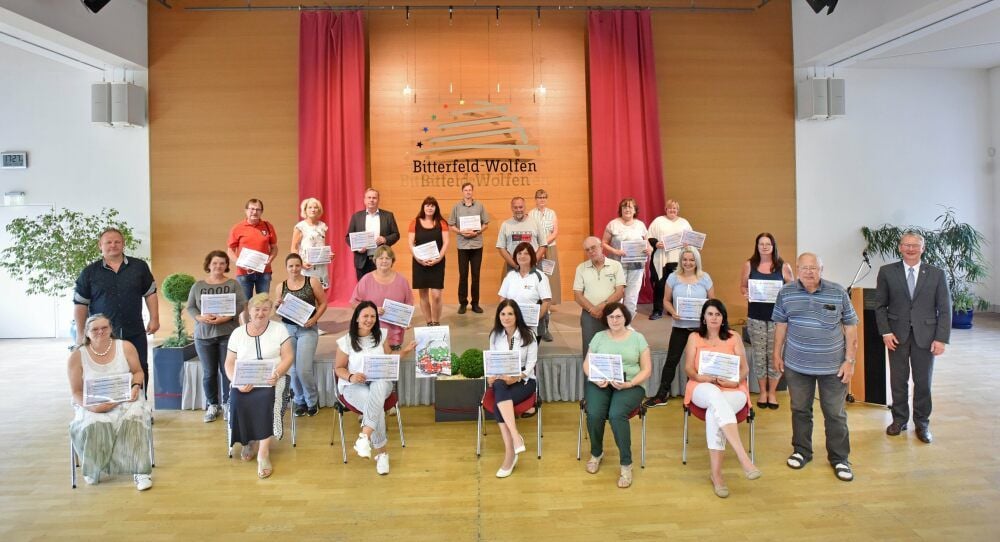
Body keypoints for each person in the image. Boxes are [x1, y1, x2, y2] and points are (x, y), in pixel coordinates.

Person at [773, 253, 858, 482]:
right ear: (797, 269)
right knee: (800, 410)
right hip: (797, 365)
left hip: (833, 368)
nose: (809, 272)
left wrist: (850, 361)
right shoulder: (786, 292)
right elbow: (781, 325)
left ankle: (840, 459)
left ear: (822, 269)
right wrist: (776, 353)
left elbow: (851, 328)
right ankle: (802, 451)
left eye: (814, 268)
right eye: (804, 268)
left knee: (835, 414)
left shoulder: (837, 292)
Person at [874, 232, 951, 444]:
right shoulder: (887, 272)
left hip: (926, 337)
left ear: (922, 248)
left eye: (915, 246)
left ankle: (922, 423)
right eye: (906, 245)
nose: (910, 249)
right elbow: (880, 306)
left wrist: (941, 338)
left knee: (923, 382)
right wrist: (886, 332)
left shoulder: (936, 274)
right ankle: (899, 420)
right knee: (898, 381)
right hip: (896, 336)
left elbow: (945, 309)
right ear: (900, 247)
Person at [683, 299, 761, 498]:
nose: (714, 318)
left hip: (733, 388)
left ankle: (716, 476)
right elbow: (689, 368)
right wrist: (701, 377)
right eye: (710, 314)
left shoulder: (733, 337)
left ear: (723, 318)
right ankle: (743, 458)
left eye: (718, 314)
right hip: (702, 386)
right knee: (714, 395)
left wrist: (734, 382)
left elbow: (745, 369)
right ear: (704, 317)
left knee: (713, 413)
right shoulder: (694, 337)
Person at [68, 314, 153, 490]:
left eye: (104, 328)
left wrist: (136, 386)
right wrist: (93, 407)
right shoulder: (77, 356)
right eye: (95, 329)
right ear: (87, 332)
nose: (100, 332)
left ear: (111, 329)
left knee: (135, 419)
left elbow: (138, 372)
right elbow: (76, 391)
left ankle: (140, 471)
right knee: (92, 422)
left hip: (126, 397)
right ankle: (93, 467)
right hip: (92, 402)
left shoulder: (125, 347)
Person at [334, 301, 416, 475]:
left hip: (380, 382)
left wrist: (406, 350)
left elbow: (389, 358)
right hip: (354, 385)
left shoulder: (381, 336)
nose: (369, 319)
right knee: (375, 405)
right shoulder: (346, 341)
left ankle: (365, 436)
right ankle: (382, 453)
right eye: (365, 316)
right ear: (357, 318)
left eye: (372, 316)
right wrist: (351, 376)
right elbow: (339, 368)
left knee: (378, 388)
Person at [74, 228, 159, 391]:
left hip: (134, 329)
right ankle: (111, 409)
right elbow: (80, 304)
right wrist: (80, 333)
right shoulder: (89, 272)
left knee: (140, 366)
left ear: (123, 244)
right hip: (101, 333)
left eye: (117, 241)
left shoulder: (139, 267)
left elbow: (150, 294)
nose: (113, 245)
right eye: (108, 242)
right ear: (100, 245)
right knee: (106, 369)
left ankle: (140, 408)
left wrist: (154, 318)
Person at [224, 293, 295, 479]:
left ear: (271, 311)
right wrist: (236, 381)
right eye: (257, 309)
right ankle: (248, 440)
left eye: (265, 309)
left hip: (274, 376)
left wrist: (277, 373)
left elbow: (288, 356)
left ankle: (263, 452)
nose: (261, 313)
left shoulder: (279, 329)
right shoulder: (237, 333)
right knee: (238, 399)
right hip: (245, 379)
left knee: (266, 399)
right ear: (249, 310)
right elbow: (229, 363)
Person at [582, 303, 652, 489]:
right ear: (606, 319)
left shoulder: (638, 338)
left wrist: (630, 383)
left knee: (616, 415)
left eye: (618, 316)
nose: (614, 320)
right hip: (601, 383)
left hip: (630, 385)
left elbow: (647, 370)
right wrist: (595, 379)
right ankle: (596, 454)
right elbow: (587, 365)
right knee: (595, 412)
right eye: (611, 317)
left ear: (625, 318)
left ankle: (626, 464)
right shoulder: (598, 337)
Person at [645, 246, 715, 407]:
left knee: (702, 362)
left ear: (696, 261)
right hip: (680, 326)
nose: (688, 263)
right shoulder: (673, 277)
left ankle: (702, 395)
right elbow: (666, 301)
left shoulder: (705, 278)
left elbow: (712, 303)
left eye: (691, 260)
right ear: (680, 261)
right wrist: (672, 312)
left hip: (700, 329)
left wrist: (706, 315)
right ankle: (661, 395)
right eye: (685, 259)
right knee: (672, 360)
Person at [187, 250, 247, 422]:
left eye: (222, 263)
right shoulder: (198, 286)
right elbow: (191, 307)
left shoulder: (233, 284)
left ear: (227, 265)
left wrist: (227, 317)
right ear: (209, 265)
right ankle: (213, 405)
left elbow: (242, 303)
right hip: (203, 336)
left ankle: (229, 404)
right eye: (215, 263)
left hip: (227, 334)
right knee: (209, 372)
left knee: (227, 371)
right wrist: (200, 317)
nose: (218, 266)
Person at [738, 233, 794, 409]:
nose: (764, 247)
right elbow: (742, 286)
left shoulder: (783, 266)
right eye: (761, 244)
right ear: (757, 246)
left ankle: (772, 393)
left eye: (767, 244)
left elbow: (792, 289)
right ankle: (763, 392)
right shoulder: (749, 264)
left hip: (778, 319)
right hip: (756, 316)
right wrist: (745, 292)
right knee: (760, 356)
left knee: (775, 354)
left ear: (773, 246)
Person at [486, 300, 539, 478]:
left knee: (498, 406)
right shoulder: (495, 335)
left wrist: (516, 378)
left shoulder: (529, 335)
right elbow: (492, 362)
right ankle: (515, 439)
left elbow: (531, 365)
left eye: (510, 314)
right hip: (502, 381)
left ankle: (510, 454)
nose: (506, 318)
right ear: (498, 316)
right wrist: (490, 376)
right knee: (499, 386)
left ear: (517, 316)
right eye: (503, 314)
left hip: (524, 382)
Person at [272, 253, 328, 418]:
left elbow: (324, 303)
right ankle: (299, 401)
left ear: (301, 266)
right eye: (291, 266)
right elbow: (278, 312)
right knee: (293, 370)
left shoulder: (312, 281)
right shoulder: (280, 286)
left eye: (297, 265)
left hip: (307, 330)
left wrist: (314, 319)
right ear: (286, 268)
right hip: (288, 330)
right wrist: (276, 305)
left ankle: (312, 400)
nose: (294, 269)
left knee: (304, 369)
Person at [350, 245, 414, 350]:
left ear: (392, 261)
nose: (384, 261)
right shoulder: (366, 279)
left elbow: (409, 303)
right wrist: (372, 311)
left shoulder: (402, 281)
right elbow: (354, 303)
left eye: (387, 258)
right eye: (381, 258)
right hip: (370, 337)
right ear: (375, 260)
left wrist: (406, 320)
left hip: (394, 338)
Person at [573, 237, 625, 357]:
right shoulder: (581, 268)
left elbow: (619, 292)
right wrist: (592, 309)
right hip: (589, 315)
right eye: (587, 250)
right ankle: (590, 377)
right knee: (590, 351)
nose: (591, 251)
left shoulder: (616, 265)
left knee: (613, 350)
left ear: (601, 247)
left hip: (613, 314)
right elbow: (577, 295)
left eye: (593, 248)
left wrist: (601, 307)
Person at [602, 197, 651, 316]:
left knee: (632, 296)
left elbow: (648, 243)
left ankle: (627, 324)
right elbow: (603, 243)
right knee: (616, 296)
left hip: (637, 266)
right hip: (617, 265)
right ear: (621, 209)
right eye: (624, 207)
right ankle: (614, 321)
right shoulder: (613, 224)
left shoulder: (640, 225)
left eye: (630, 207)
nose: (627, 209)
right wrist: (615, 251)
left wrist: (650, 249)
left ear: (635, 210)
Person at [227, 198, 279, 307]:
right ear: (246, 211)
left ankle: (261, 324)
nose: (254, 212)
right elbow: (230, 250)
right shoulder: (237, 228)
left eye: (258, 209)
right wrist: (239, 262)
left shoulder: (268, 226)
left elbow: (274, 247)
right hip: (243, 273)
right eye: (252, 209)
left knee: (263, 303)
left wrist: (270, 259)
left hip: (264, 272)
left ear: (261, 212)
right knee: (244, 304)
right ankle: (246, 324)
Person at [448, 182, 490, 315]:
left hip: (477, 244)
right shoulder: (456, 207)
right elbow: (451, 225)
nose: (468, 192)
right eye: (465, 190)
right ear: (462, 192)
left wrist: (476, 232)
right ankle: (463, 303)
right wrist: (461, 232)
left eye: (470, 190)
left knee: (476, 276)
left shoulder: (480, 206)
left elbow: (486, 224)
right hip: (462, 245)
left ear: (473, 192)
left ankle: (475, 303)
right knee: (463, 275)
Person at [646, 199, 692, 320]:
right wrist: (656, 244)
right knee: (660, 285)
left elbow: (690, 238)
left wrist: (687, 244)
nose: (672, 210)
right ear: (666, 209)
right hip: (662, 258)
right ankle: (657, 310)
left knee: (677, 285)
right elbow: (649, 236)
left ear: (678, 210)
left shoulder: (684, 223)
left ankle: (673, 310)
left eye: (675, 208)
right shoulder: (658, 221)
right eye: (670, 208)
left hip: (678, 258)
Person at [408, 196, 449, 326]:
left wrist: (439, 258)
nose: (429, 208)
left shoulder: (442, 222)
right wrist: (418, 259)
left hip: (437, 262)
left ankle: (436, 322)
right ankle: (429, 322)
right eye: (427, 205)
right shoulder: (415, 222)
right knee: (424, 295)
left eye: (432, 205)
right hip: (420, 263)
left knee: (436, 295)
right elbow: (410, 243)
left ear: (436, 208)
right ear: (423, 207)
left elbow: (446, 242)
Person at [498, 242, 552, 339]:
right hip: (512, 323)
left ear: (532, 256)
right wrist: (505, 317)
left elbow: (546, 302)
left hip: (532, 325)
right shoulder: (510, 275)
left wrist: (535, 319)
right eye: (519, 253)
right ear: (515, 256)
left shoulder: (540, 276)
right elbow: (502, 298)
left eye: (526, 253)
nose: (522, 256)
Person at [346, 188, 401, 280]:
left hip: (382, 259)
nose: (371, 200)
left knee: (382, 287)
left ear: (378, 200)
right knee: (363, 289)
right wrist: (358, 248)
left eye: (374, 198)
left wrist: (385, 239)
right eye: (369, 197)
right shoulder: (356, 217)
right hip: (362, 260)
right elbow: (348, 237)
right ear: (364, 200)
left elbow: (396, 234)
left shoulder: (388, 216)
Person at [528, 189, 559, 341]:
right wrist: (541, 246)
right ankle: (537, 325)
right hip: (536, 250)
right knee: (537, 284)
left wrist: (545, 244)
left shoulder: (552, 213)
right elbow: (531, 232)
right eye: (539, 197)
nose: (541, 199)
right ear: (535, 199)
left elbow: (555, 231)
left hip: (550, 249)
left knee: (549, 284)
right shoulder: (531, 214)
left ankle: (546, 326)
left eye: (544, 197)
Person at [496, 196, 547, 273]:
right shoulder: (505, 224)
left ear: (525, 207)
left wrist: (532, 263)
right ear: (511, 208)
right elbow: (501, 247)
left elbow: (543, 245)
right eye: (515, 207)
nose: (518, 210)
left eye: (520, 207)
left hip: (534, 267)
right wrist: (515, 266)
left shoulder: (535, 223)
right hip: (513, 267)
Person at [291, 197, 333, 289]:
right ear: (305, 210)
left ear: (319, 210)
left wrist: (328, 255)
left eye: (315, 207)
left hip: (321, 266)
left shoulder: (322, 226)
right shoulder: (300, 227)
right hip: (306, 266)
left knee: (322, 293)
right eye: (310, 207)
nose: (313, 210)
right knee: (308, 292)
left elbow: (321, 245)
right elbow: (293, 248)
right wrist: (301, 263)